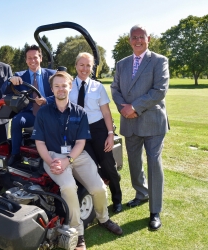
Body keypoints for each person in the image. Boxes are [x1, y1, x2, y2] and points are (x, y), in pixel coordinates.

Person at [32, 71, 123, 250]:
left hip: (76, 154)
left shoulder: (80, 112)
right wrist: (51, 162)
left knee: (99, 188)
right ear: (52, 89)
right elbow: (39, 142)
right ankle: (77, 231)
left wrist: (68, 160)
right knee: (68, 187)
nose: (60, 89)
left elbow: (81, 142)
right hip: (53, 157)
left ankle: (103, 218)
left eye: (64, 85)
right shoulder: (43, 112)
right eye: (56, 86)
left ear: (70, 87)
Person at [111, 24, 169, 231]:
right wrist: (124, 109)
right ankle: (141, 194)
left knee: (154, 164)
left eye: (141, 37)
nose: (138, 40)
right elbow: (115, 88)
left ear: (148, 38)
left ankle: (155, 211)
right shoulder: (122, 63)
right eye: (134, 37)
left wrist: (134, 107)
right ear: (129, 40)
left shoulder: (159, 61)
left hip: (153, 121)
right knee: (134, 162)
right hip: (130, 122)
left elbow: (160, 90)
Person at [69, 52, 122, 214]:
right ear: (76, 65)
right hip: (79, 132)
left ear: (92, 68)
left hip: (97, 129)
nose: (85, 69)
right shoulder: (69, 85)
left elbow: (106, 113)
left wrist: (110, 134)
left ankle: (117, 198)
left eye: (88, 66)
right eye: (82, 65)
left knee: (108, 164)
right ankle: (98, 197)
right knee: (91, 166)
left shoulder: (97, 87)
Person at [1, 44, 56, 165]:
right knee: (16, 121)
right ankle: (15, 154)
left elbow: (64, 92)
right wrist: (10, 81)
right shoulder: (20, 76)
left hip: (49, 113)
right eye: (29, 58)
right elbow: (3, 90)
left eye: (35, 57)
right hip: (30, 113)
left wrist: (47, 100)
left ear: (40, 58)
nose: (33, 61)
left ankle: (51, 156)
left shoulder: (52, 75)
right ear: (26, 60)